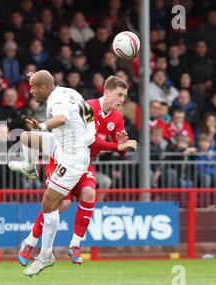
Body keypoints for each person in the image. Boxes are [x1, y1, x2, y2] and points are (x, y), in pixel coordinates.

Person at [18, 75, 137, 267]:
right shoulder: (88, 107)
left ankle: (75, 244)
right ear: (107, 92)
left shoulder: (117, 117)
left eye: (124, 96)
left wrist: (122, 146)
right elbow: (90, 141)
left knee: (89, 193)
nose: (122, 100)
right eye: (119, 95)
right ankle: (31, 242)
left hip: (84, 164)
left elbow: (120, 150)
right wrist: (117, 147)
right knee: (59, 204)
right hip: (63, 158)